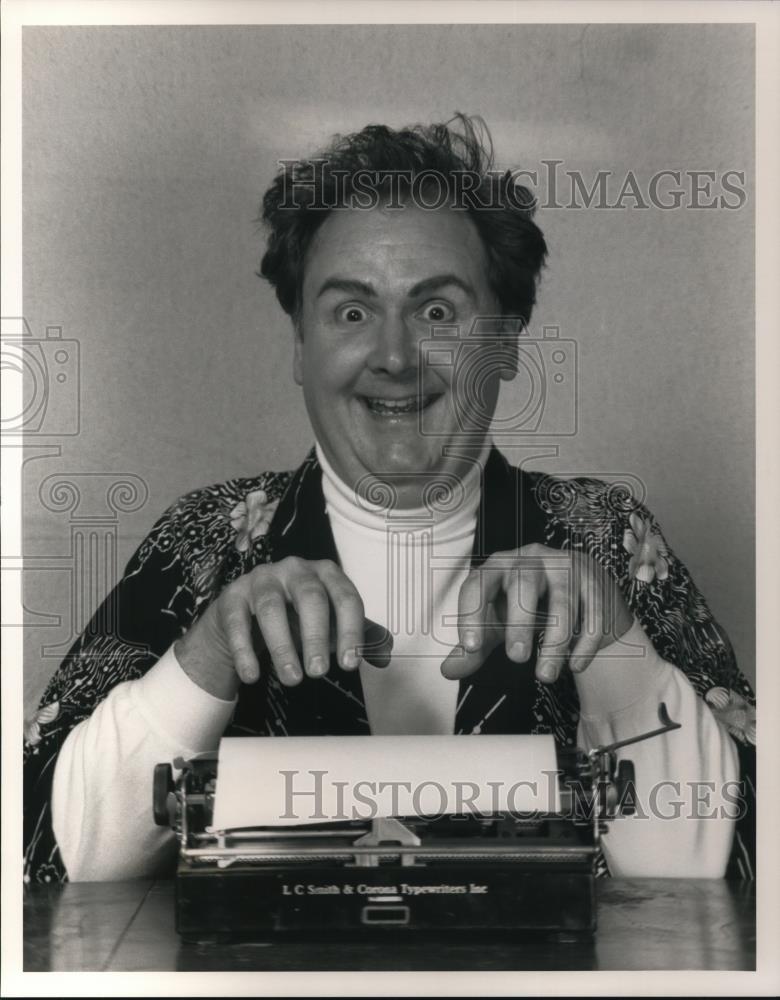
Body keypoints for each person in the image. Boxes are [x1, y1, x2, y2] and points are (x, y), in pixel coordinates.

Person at [23, 115, 755, 885]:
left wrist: (618, 654)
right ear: (300, 347)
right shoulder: (202, 542)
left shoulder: (607, 536)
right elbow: (50, 855)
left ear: (504, 343)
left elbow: (721, 871)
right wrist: (204, 661)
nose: (397, 358)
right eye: (351, 312)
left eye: (438, 312)